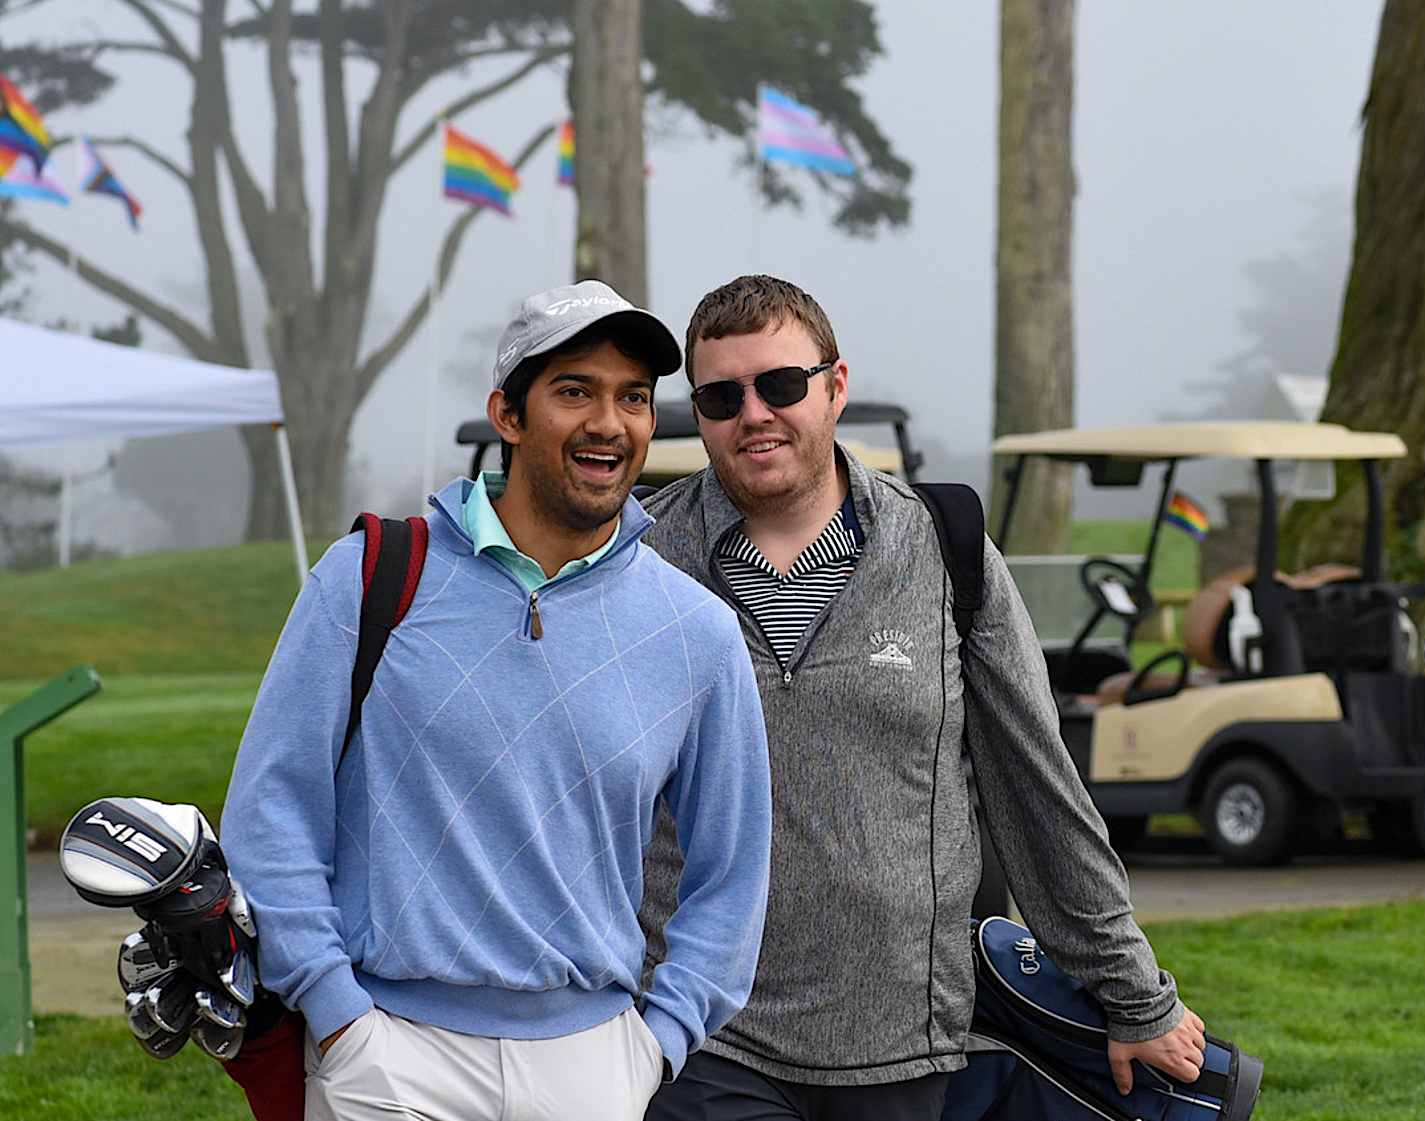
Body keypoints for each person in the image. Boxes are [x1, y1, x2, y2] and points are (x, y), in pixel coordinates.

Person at [637, 274, 1208, 1121]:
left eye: (781, 385)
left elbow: (1037, 787)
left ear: (835, 386)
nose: (753, 414)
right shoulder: (641, 562)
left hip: (905, 1043)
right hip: (699, 1033)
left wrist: (1131, 992)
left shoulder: (946, 550)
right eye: (722, 397)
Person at [221, 280, 773, 1121]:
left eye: (632, 397)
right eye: (575, 391)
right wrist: (335, 1012)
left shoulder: (696, 630)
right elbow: (272, 812)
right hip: (387, 1052)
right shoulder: (368, 578)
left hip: (592, 1069)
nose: (609, 422)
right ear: (507, 415)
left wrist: (655, 1044)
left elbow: (733, 872)